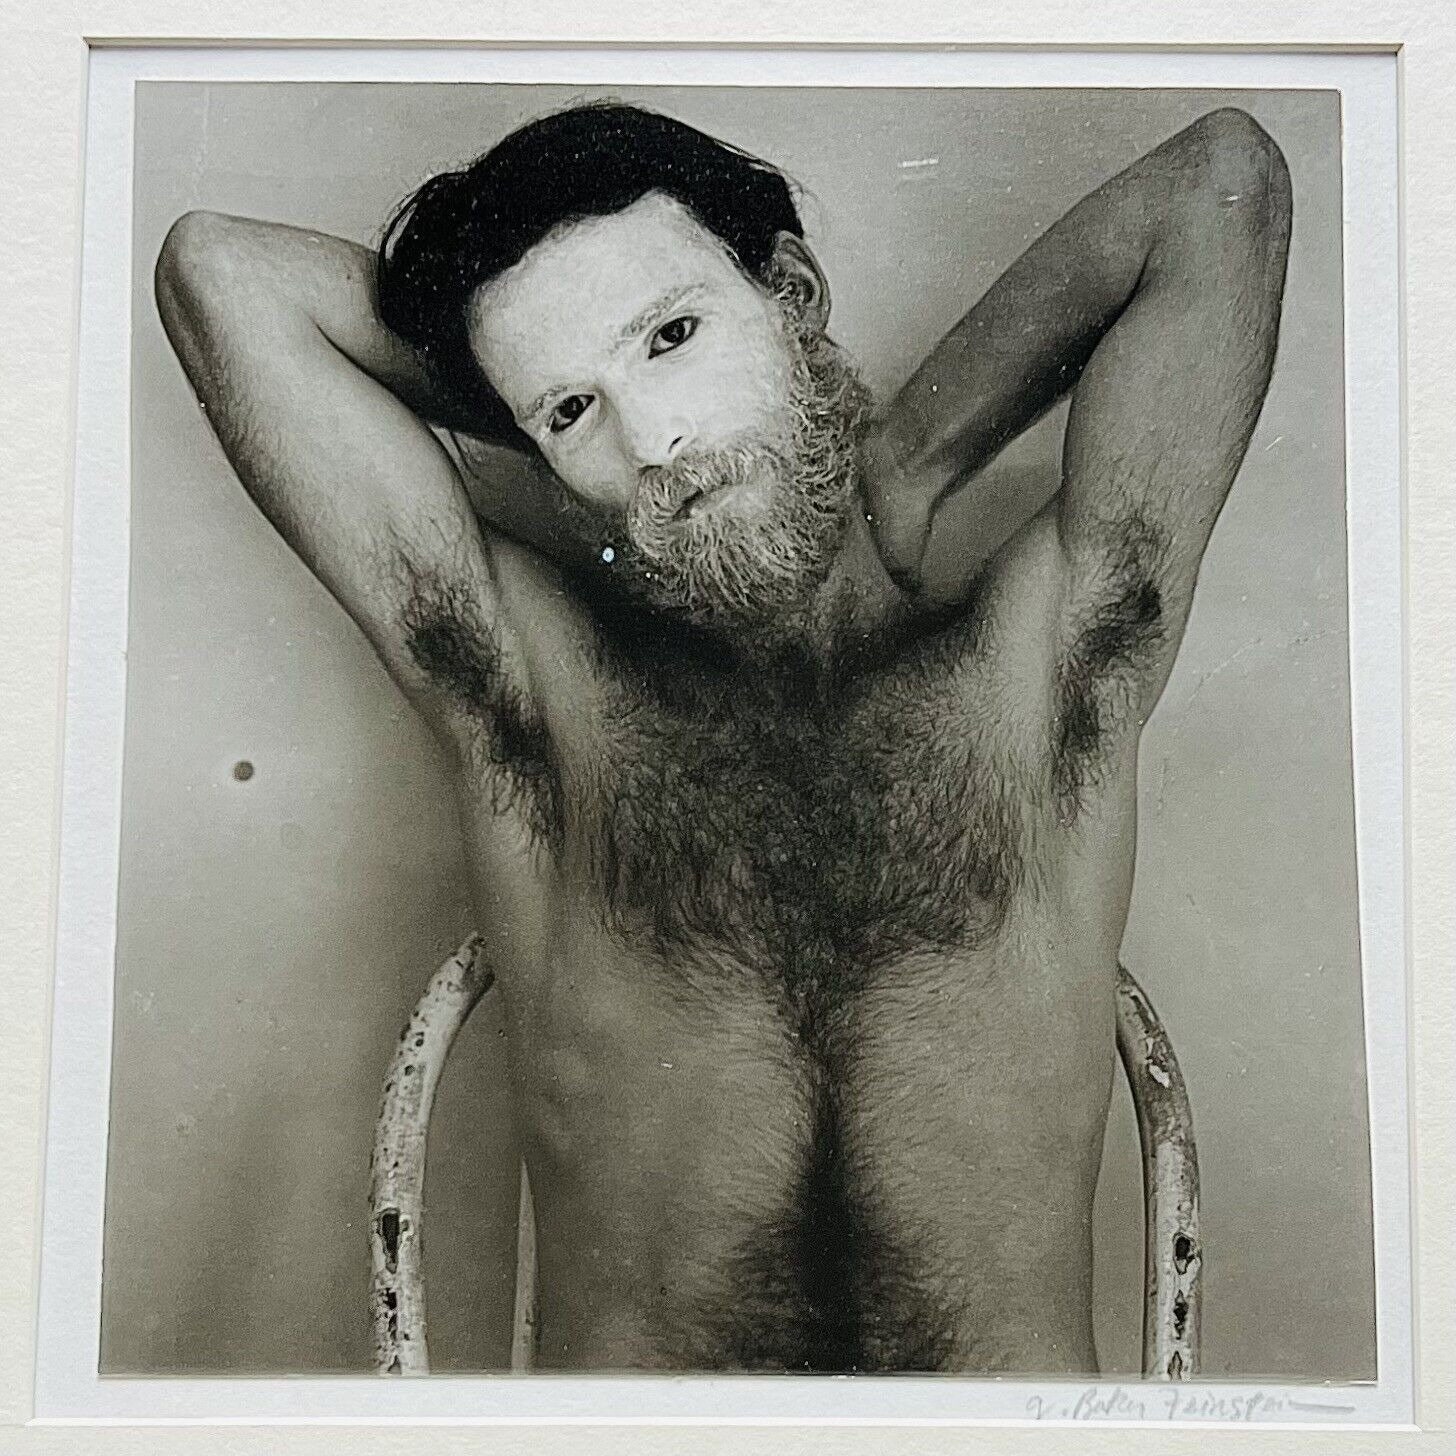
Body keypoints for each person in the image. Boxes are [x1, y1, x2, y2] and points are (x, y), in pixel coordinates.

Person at [154, 99, 1291, 1374]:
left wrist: (911, 458)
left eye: (673, 336)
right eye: (571, 413)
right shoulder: (538, 704)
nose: (656, 443)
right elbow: (220, 273)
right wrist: (542, 384)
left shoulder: (1039, 667)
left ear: (791, 298)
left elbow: (1220, 189)